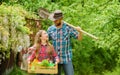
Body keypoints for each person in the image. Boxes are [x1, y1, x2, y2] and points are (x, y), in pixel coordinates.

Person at [47, 10, 82, 75]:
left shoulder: (68, 28)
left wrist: (80, 31)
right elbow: (45, 42)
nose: (54, 21)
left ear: (61, 19)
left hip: (66, 58)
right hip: (56, 59)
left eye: (56, 20)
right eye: (53, 20)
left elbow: (79, 38)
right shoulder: (50, 29)